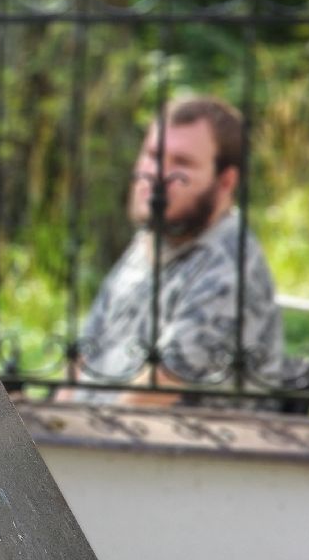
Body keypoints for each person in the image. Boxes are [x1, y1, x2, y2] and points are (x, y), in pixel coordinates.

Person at [65, 96, 284, 405]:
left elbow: (150, 397)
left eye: (181, 163)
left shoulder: (229, 268)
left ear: (225, 182)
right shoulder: (151, 241)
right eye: (153, 155)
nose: (157, 174)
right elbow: (82, 360)